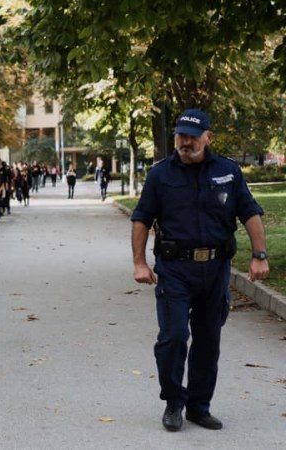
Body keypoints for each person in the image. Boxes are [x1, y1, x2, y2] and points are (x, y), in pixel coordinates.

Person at [131, 109, 269, 432]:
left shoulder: (228, 172)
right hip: (175, 269)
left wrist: (259, 254)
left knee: (208, 340)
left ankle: (198, 406)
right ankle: (174, 402)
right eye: (180, 135)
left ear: (208, 137)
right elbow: (141, 218)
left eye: (192, 135)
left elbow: (250, 212)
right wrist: (139, 262)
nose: (185, 141)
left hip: (216, 269)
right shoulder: (160, 175)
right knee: (174, 336)